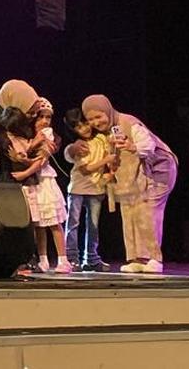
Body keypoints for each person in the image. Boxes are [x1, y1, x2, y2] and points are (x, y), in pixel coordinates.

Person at [82, 94, 178, 274]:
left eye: (98, 116)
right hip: (134, 177)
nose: (95, 122)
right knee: (130, 211)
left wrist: (132, 146)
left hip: (158, 171)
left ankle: (154, 258)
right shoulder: (108, 132)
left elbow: (147, 146)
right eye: (90, 119)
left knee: (148, 211)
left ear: (108, 111)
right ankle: (137, 258)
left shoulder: (129, 123)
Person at [0, 91, 73, 274]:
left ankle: (63, 259)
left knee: (53, 221)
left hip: (44, 180)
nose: (45, 121)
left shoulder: (47, 134)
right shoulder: (28, 133)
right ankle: (43, 259)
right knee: (38, 223)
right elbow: (25, 153)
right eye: (41, 117)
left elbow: (42, 160)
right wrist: (28, 152)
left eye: (48, 117)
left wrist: (25, 169)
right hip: (34, 183)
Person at [62, 107, 115, 272]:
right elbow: (85, 169)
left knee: (93, 226)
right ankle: (71, 258)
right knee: (73, 224)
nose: (84, 128)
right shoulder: (79, 145)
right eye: (78, 127)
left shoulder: (101, 138)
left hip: (96, 189)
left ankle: (91, 258)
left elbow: (110, 154)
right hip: (78, 189)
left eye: (85, 123)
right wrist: (106, 160)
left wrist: (109, 170)